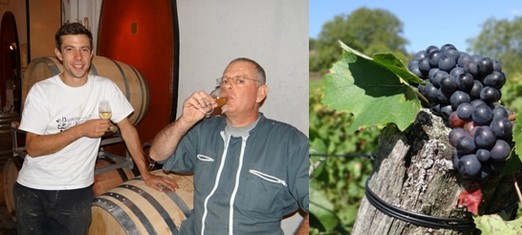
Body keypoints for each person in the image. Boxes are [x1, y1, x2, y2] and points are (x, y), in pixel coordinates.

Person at [16, 22, 175, 234]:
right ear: (59, 54)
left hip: (76, 191)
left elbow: (127, 129)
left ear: (92, 54)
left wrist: (145, 173)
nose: (78, 57)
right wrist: (81, 129)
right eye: (70, 49)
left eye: (84, 49)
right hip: (34, 190)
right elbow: (33, 147)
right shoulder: (42, 92)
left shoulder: (104, 87)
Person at [149, 57, 310, 234]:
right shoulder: (205, 130)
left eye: (240, 81)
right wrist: (184, 121)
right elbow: (157, 155)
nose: (228, 87)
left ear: (260, 93)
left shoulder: (289, 142)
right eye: (224, 81)